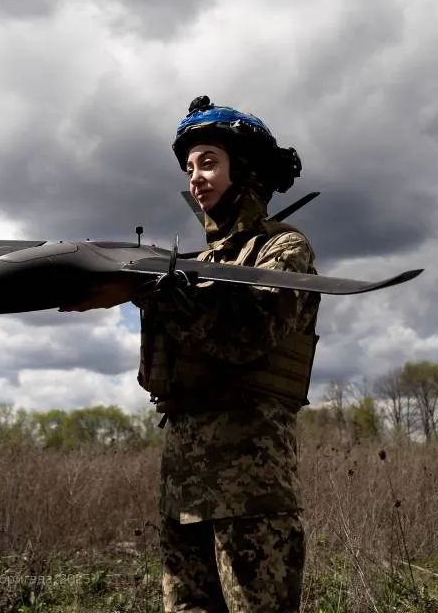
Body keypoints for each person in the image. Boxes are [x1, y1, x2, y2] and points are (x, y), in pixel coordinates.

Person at [134, 95, 321, 613]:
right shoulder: (189, 264)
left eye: (209, 161)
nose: (195, 177)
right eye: (190, 167)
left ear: (247, 169)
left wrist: (167, 293)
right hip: (182, 488)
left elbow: (247, 337)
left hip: (250, 488)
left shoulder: (283, 249)